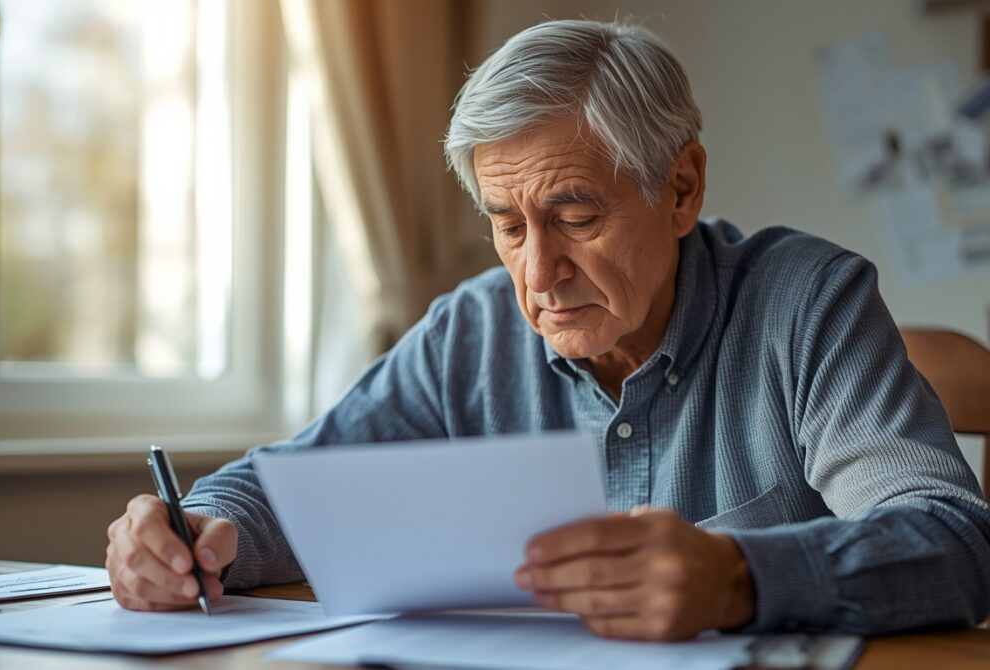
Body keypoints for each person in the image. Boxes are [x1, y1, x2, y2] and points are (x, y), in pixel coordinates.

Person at [105, 19, 990, 640]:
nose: (536, 275)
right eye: (508, 223)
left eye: (575, 216)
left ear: (681, 189)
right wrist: (194, 529)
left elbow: (953, 538)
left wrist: (737, 576)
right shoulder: (471, 332)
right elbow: (289, 485)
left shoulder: (808, 302)